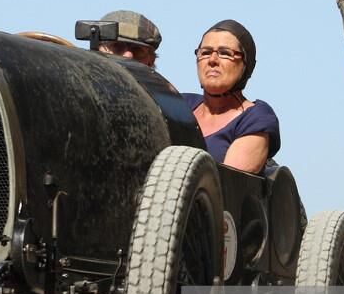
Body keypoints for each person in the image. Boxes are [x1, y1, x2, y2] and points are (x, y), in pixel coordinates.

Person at [181, 19, 280, 174]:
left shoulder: (255, 118)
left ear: (245, 65)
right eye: (205, 52)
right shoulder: (180, 105)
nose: (212, 60)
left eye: (225, 53)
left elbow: (229, 186)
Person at [93, 10, 161, 67]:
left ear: (151, 61)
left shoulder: (159, 83)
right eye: (117, 46)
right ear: (97, 50)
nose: (128, 56)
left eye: (137, 51)